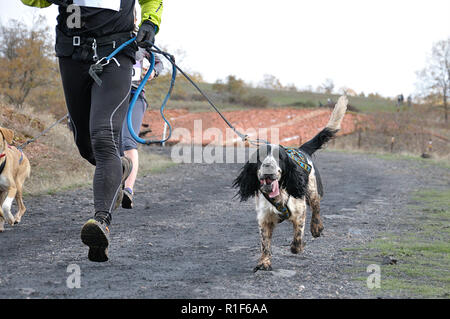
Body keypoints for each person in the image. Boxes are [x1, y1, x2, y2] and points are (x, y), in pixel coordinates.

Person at [20, 0, 163, 262]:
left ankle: (101, 222)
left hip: (116, 51)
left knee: (103, 135)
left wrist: (150, 22)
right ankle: (118, 169)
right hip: (72, 53)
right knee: (84, 142)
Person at [121, 48, 164, 209]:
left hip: (135, 96)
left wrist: (153, 71)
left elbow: (159, 61)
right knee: (111, 144)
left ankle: (128, 190)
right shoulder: (107, 35)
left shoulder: (141, 43)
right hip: (110, 96)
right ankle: (115, 185)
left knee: (128, 142)